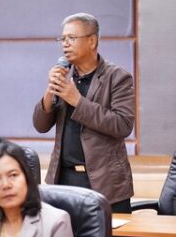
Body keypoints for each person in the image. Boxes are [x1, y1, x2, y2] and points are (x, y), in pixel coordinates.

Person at [33, 13, 135, 213]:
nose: (65, 44)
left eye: (72, 38)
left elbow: (123, 125)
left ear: (92, 41)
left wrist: (77, 101)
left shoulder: (117, 77)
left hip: (105, 183)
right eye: (63, 38)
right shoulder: (65, 76)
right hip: (63, 180)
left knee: (110, 235)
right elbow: (41, 125)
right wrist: (50, 90)